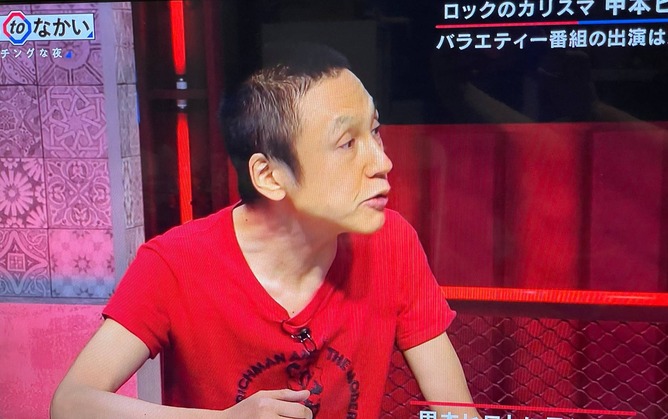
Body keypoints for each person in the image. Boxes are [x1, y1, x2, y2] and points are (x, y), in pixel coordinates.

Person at [51, 43, 479, 419]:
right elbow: (72, 403)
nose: (382, 163)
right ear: (270, 176)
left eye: (375, 131)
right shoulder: (176, 263)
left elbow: (456, 411)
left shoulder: (392, 243)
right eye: (347, 143)